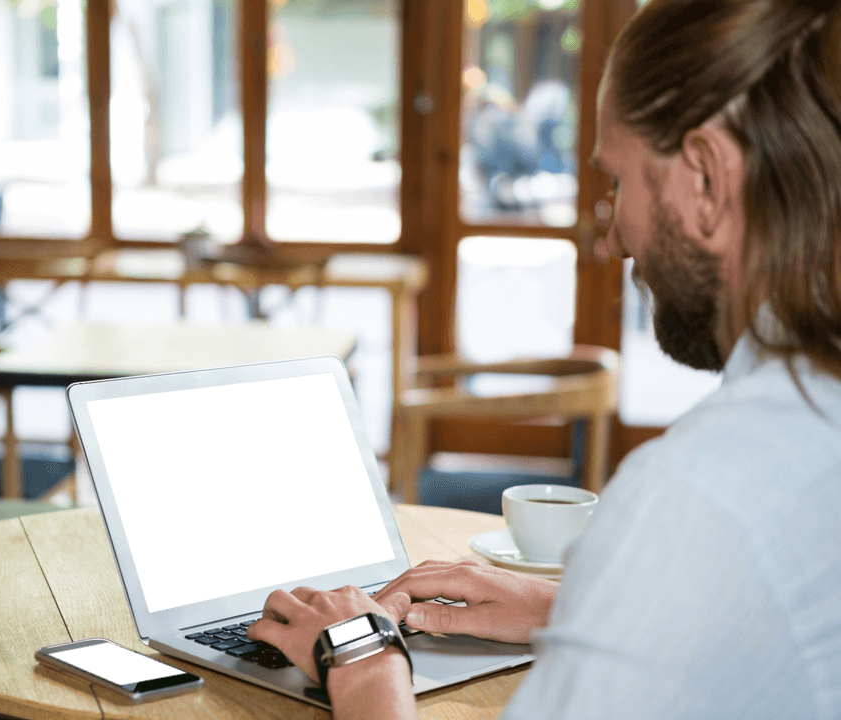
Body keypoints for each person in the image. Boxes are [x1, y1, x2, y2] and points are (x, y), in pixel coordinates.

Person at [246, 0, 841, 717]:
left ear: (707, 182)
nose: (611, 241)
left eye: (619, 182)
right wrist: (577, 605)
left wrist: (363, 658)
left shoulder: (700, 495)